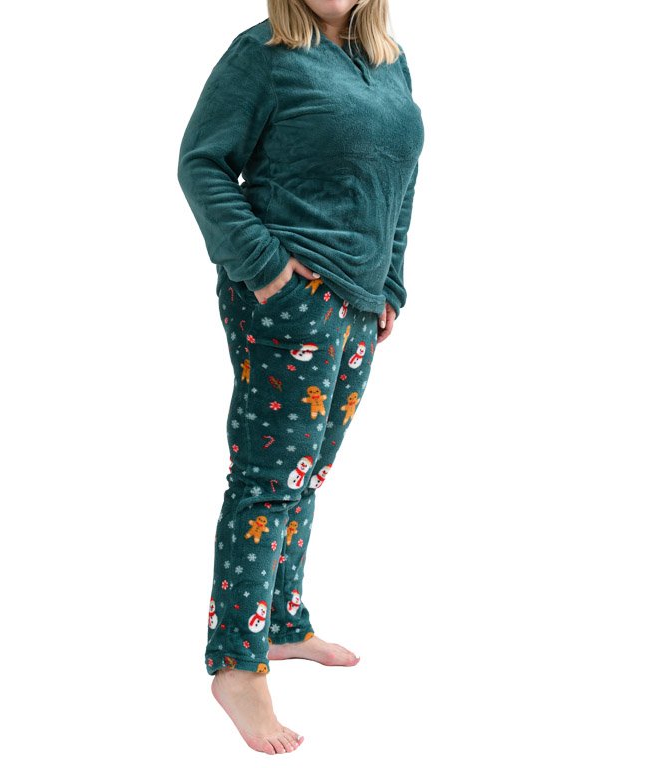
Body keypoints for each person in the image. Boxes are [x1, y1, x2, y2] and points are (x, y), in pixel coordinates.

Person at [176, 0, 423, 754]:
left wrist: (390, 283)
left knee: (305, 473)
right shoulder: (263, 55)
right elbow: (201, 164)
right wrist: (269, 273)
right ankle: (236, 665)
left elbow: (400, 179)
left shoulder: (388, 60)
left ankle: (281, 624)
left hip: (360, 303)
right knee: (267, 480)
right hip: (290, 299)